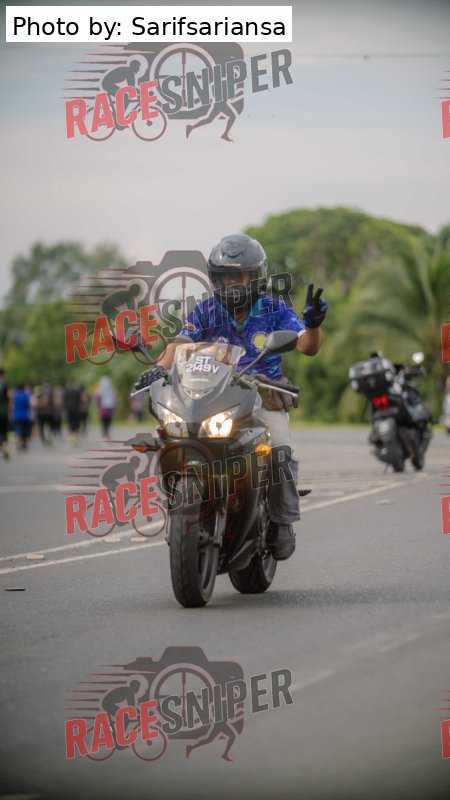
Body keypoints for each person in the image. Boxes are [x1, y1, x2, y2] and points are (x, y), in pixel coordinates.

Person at [135, 234, 328, 561]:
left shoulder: (274, 309)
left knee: (279, 448)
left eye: (241, 276)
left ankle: (282, 520)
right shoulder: (205, 310)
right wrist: (156, 370)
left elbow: (307, 347)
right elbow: (179, 344)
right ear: (216, 279)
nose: (234, 283)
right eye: (226, 277)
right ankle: (183, 506)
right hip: (213, 394)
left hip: (262, 394)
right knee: (175, 437)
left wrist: (313, 326)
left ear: (256, 277)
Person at [12, 384, 32, 451]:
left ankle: (19, 443)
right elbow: (29, 405)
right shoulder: (26, 395)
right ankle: (24, 444)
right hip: (25, 415)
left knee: (18, 430)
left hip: (17, 415)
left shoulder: (15, 395)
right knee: (25, 430)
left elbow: (13, 405)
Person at [36, 381, 54, 445]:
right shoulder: (50, 392)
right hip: (48, 412)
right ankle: (48, 438)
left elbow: (37, 402)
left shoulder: (40, 392)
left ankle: (44, 439)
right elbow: (53, 401)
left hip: (42, 412)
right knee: (49, 426)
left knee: (42, 426)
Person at [64, 380, 82, 445]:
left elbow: (65, 402)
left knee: (71, 424)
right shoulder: (77, 392)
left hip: (70, 411)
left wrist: (65, 410)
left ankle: (72, 438)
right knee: (76, 424)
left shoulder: (67, 392)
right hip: (76, 411)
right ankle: (75, 438)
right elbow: (80, 402)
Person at [0, 368, 11, 459]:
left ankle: (2, 446)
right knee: (4, 430)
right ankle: (5, 447)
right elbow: (9, 397)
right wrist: (11, 411)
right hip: (4, 411)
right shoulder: (5, 385)